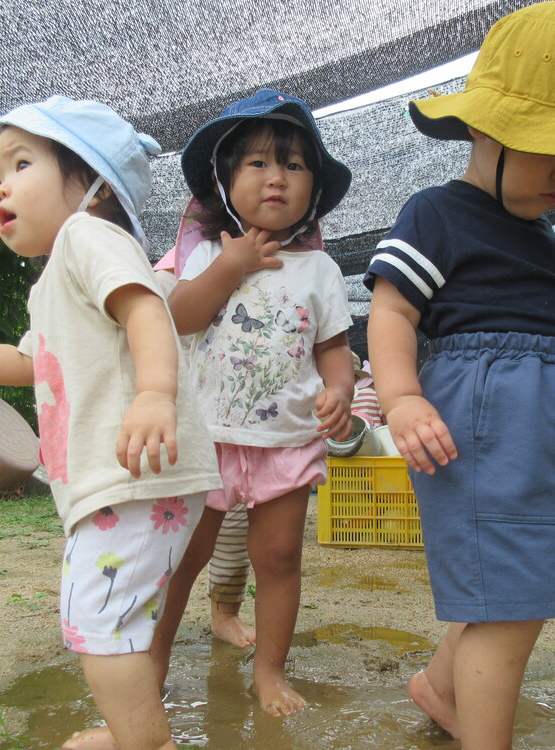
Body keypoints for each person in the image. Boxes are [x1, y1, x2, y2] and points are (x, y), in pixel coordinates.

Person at [0, 96, 222, 750]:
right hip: (117, 478)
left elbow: (146, 310)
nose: (1, 182)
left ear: (96, 182)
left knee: (98, 619)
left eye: (21, 163)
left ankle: (145, 742)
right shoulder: (57, 276)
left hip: (134, 469)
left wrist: (155, 393)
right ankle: (131, 733)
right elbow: (30, 360)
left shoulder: (91, 237)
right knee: (103, 617)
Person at [363, 3, 555, 746]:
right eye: (549, 146)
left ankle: (439, 687)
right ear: (482, 127)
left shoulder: (543, 239)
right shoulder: (437, 213)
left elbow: (543, 324)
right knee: (512, 599)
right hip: (485, 419)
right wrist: (399, 396)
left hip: (546, 421)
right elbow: (394, 312)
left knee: (512, 583)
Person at [150, 88, 355, 717]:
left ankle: (269, 671)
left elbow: (335, 349)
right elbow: (179, 318)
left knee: (280, 558)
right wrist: (232, 264)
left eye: (295, 166)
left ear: (313, 189)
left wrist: (341, 390)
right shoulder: (208, 253)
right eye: (259, 163)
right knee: (181, 561)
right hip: (206, 436)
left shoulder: (320, 270)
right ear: (225, 179)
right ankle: (148, 670)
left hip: (287, 440)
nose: (277, 178)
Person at [155, 241, 256, 650]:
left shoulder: (280, 254)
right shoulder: (172, 268)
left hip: (241, 419)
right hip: (184, 410)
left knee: (236, 524)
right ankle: (146, 630)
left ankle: (225, 612)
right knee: (179, 531)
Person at [351, 352, 384, 428]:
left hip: (352, 437)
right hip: (376, 437)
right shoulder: (376, 396)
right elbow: (385, 419)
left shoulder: (343, 398)